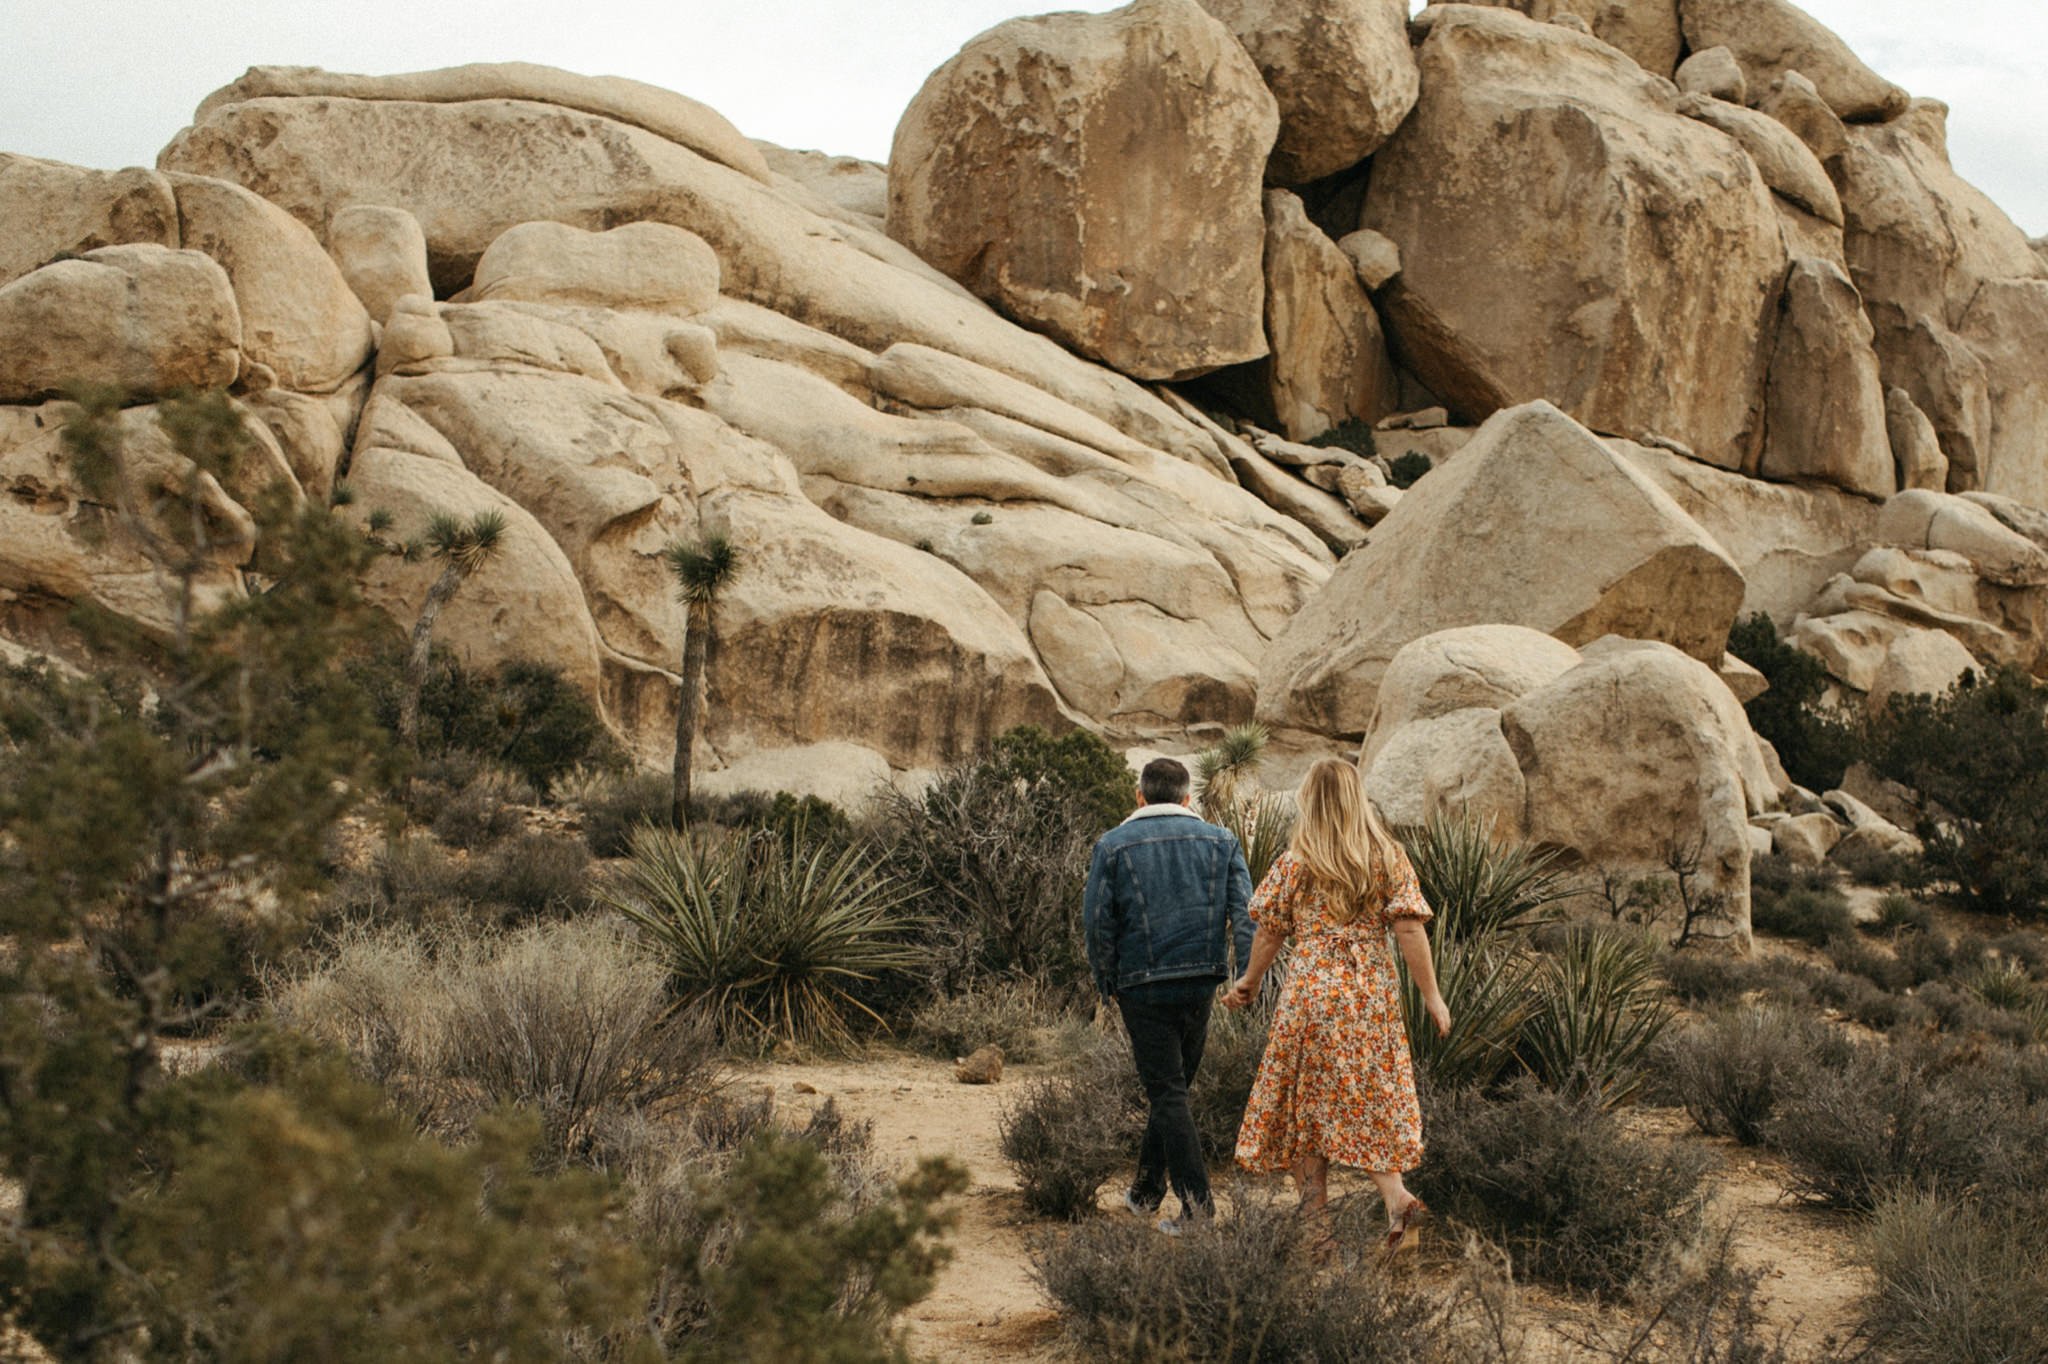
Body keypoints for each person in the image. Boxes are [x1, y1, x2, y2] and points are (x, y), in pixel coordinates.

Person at [1222, 758, 1451, 1252]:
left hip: (1311, 994)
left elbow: (1269, 930)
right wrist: (1432, 997)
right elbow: (1410, 928)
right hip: (1370, 998)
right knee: (1365, 1096)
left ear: (1309, 801)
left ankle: (1317, 1233)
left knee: (1305, 1111)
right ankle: (1395, 1196)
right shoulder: (1388, 856)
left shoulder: (1295, 862)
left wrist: (1250, 980)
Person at [1083, 756, 1254, 1235]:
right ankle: (1145, 1193)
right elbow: (1246, 912)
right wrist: (1248, 977)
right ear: (1187, 799)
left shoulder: (1112, 845)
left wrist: (1107, 981)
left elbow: (1097, 922)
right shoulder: (1222, 841)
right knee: (1172, 1091)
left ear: (1139, 797)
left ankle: (1198, 1210)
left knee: (1168, 1092)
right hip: (1203, 981)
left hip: (1142, 985)